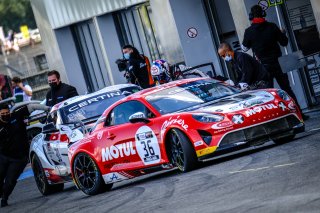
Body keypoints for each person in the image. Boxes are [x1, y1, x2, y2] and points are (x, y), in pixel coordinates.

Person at [241, 5, 308, 119]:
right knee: (286, 89)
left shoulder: (249, 31)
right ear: (263, 14)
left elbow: (244, 48)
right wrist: (283, 33)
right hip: (279, 63)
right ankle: (299, 114)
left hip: (264, 66)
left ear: (251, 17)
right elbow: (284, 42)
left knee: (267, 94)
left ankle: (273, 118)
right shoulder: (272, 27)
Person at [0, 102, 50, 207]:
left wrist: (47, 108)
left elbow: (32, 107)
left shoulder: (17, 115)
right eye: (2, 114)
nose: (5, 115)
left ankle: (4, 198)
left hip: (19, 158)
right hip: (3, 156)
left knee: (10, 181)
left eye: (7, 113)